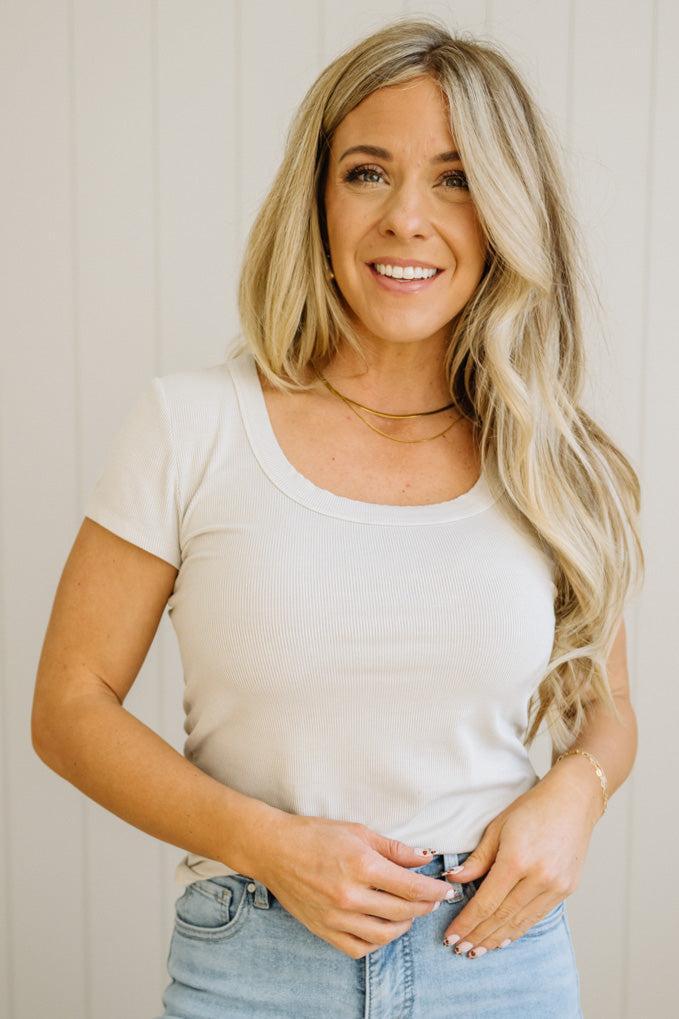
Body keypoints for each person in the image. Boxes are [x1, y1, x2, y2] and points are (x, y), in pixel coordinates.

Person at [31, 16, 642, 1019]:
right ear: (315, 199)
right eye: (367, 172)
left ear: (505, 211)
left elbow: (605, 712)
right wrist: (262, 840)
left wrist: (575, 790)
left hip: (500, 959)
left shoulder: (550, 450)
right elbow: (68, 705)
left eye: (454, 177)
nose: (407, 216)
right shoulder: (193, 423)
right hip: (254, 962)